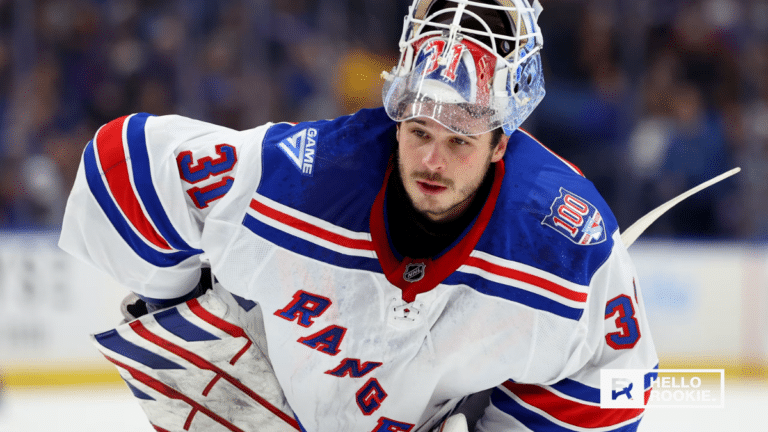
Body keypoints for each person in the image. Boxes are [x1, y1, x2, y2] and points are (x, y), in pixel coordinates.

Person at [59, 0, 658, 430]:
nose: (432, 161)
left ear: (503, 144)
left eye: (460, 142)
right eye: (420, 130)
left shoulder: (565, 239)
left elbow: (620, 382)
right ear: (397, 116)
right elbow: (125, 168)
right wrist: (190, 320)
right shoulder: (303, 178)